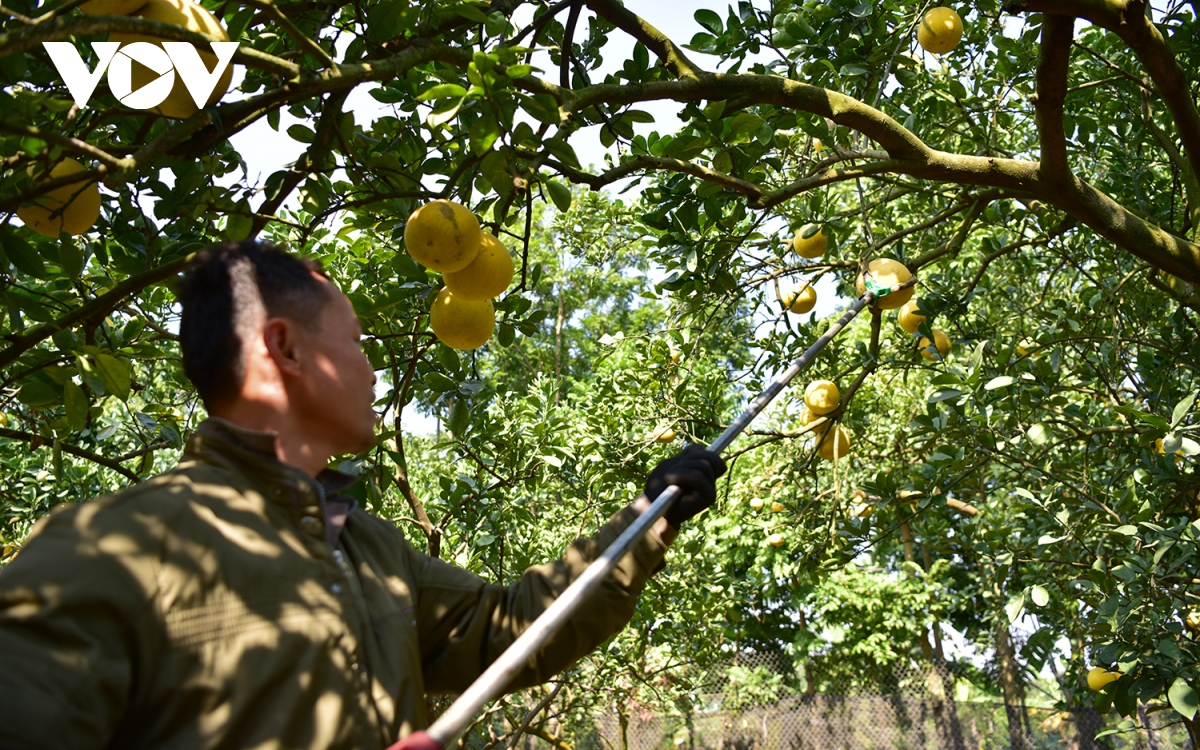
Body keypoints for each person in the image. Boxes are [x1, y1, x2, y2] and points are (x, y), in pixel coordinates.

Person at [0, 240, 726, 749]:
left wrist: (649, 516)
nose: (373, 371)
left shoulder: (366, 547)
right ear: (284, 349)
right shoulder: (120, 546)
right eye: (356, 343)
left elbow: (509, 625)